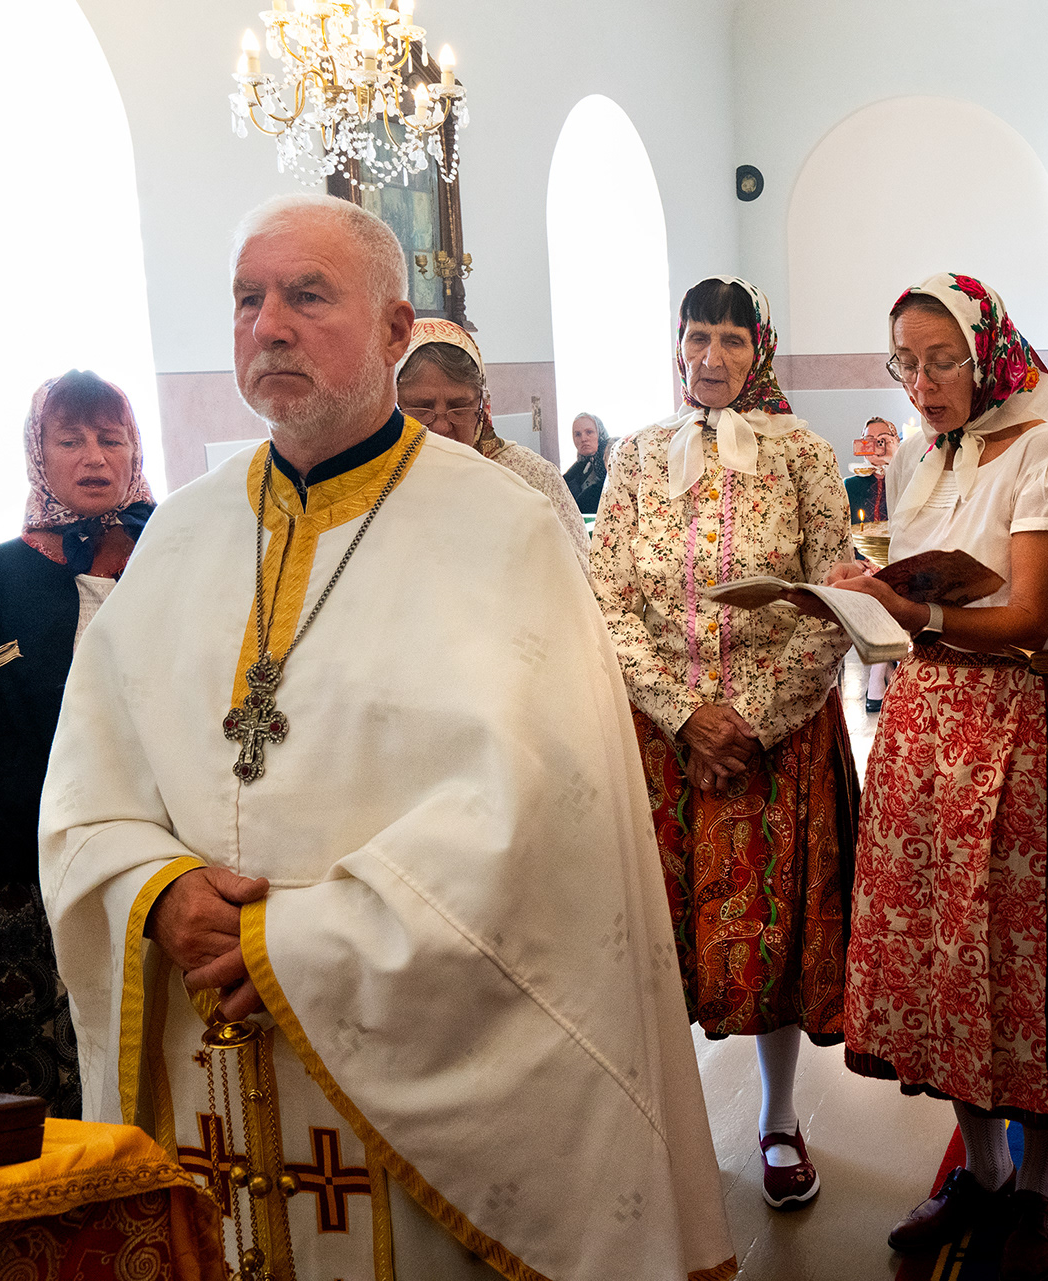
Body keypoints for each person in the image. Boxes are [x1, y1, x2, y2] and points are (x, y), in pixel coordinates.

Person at [40, 193, 734, 1281]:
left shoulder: (503, 530)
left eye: (307, 296)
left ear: (396, 330)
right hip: (207, 1071)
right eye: (247, 299)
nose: (268, 324)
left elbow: (542, 822)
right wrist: (151, 889)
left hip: (419, 1100)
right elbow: (86, 787)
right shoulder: (179, 535)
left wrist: (294, 944)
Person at [833, 272, 1048, 1281]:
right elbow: (910, 593)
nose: (920, 383)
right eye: (904, 363)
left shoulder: (1043, 450)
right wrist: (863, 604)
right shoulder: (921, 453)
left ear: (986, 350)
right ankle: (982, 1170)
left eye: (939, 360)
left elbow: (1031, 619)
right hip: (923, 730)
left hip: (1016, 725)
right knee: (945, 954)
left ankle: (1038, 1182)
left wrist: (921, 617)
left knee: (1020, 956)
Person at [590, 275, 857, 1211]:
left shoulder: (805, 455)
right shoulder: (635, 456)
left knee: (768, 933)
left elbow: (836, 598)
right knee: (655, 932)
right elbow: (609, 597)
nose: (712, 358)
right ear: (677, 344)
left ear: (761, 349)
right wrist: (681, 714)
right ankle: (661, 1115)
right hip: (663, 741)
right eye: (697, 337)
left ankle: (779, 1116)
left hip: (772, 741)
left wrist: (747, 720)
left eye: (732, 341)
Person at [0, 370, 154, 1118]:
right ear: (37, 454)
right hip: (19, 880)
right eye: (70, 439)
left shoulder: (170, 559)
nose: (93, 456)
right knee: (40, 1099)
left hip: (147, 864)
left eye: (109, 438)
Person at [395, 317, 590, 566]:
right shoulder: (378, 481)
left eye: (459, 407)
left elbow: (577, 579)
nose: (441, 425)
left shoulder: (531, 478)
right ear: (395, 404)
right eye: (422, 407)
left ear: (482, 405)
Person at [844, 416, 900, 709]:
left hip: (900, 561)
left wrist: (895, 460)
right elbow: (843, 531)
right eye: (870, 439)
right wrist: (857, 561)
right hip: (863, 564)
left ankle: (878, 677)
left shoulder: (906, 477)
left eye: (884, 438)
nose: (876, 445)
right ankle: (885, 670)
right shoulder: (849, 485)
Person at [565, 412, 611, 513]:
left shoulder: (611, 459)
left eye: (589, 432)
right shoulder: (580, 465)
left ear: (599, 433)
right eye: (577, 434)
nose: (583, 439)